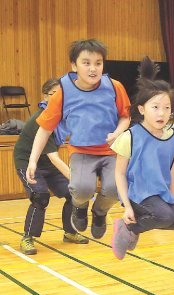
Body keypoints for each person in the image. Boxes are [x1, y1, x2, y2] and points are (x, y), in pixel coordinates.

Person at [26, 39, 131, 240]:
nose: (93, 68)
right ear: (74, 65)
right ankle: (80, 207)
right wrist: (32, 160)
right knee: (82, 189)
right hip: (82, 152)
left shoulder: (115, 87)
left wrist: (118, 132)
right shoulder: (63, 92)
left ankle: (99, 213)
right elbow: (44, 129)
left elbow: (125, 117)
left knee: (115, 189)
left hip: (112, 152)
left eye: (98, 63)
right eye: (86, 63)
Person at [110, 57, 174, 260]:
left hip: (160, 192)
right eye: (155, 107)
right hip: (138, 193)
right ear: (142, 109)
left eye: (167, 108)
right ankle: (127, 227)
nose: (162, 113)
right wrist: (126, 205)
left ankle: (135, 228)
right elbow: (118, 173)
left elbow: (172, 167)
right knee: (164, 216)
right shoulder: (131, 137)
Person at [13, 78, 89, 254]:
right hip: (27, 162)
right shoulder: (42, 119)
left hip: (46, 161)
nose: (57, 98)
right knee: (40, 196)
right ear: (45, 97)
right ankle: (27, 238)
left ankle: (70, 232)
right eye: (53, 94)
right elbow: (55, 157)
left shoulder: (63, 117)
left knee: (72, 194)